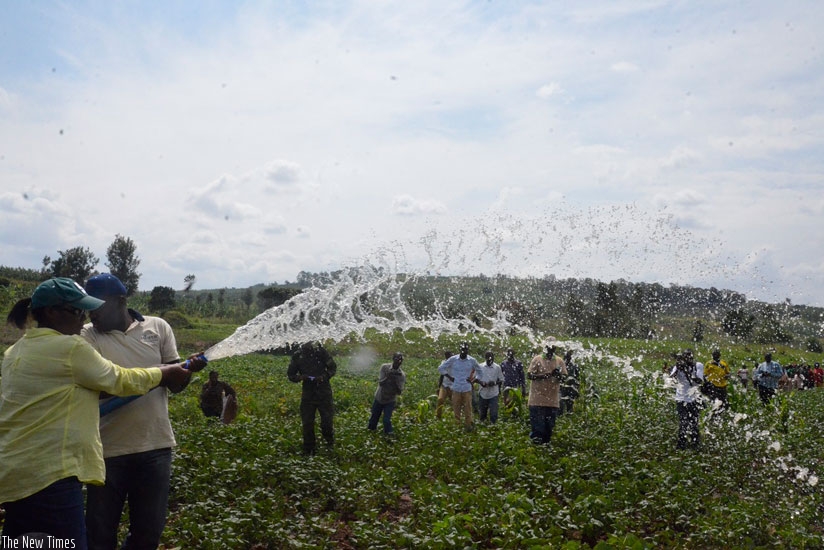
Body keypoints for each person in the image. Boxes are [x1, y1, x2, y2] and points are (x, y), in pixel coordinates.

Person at [0, 278, 198, 547]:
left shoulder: (15, 351)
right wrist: (162, 373)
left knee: (23, 543)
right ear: (51, 313)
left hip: (15, 476)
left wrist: (171, 374)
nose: (84, 320)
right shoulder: (72, 347)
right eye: (78, 312)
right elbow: (118, 380)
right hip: (51, 475)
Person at [81, 273, 206, 550]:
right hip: (106, 451)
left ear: (122, 301)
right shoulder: (86, 336)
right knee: (99, 535)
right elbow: (93, 387)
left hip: (155, 446)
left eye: (98, 306)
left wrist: (186, 372)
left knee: (147, 535)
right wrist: (158, 376)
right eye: (88, 307)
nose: (92, 314)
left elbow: (175, 384)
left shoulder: (158, 328)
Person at [287, 341, 337, 455]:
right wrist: (300, 377)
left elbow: (332, 368)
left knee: (327, 421)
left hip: (324, 392)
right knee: (307, 422)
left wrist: (323, 377)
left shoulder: (321, 352)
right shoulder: (297, 355)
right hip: (308, 393)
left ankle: (329, 444)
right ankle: (309, 448)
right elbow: (291, 375)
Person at [527, 342, 567, 446]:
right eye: (548, 347)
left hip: (552, 401)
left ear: (555, 348)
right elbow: (530, 375)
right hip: (537, 400)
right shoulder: (537, 359)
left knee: (549, 429)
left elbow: (564, 378)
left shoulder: (559, 361)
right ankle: (535, 451)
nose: (550, 349)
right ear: (545, 347)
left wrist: (558, 376)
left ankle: (544, 450)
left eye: (552, 347)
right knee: (537, 429)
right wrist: (547, 375)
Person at [438, 342, 479, 430]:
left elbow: (478, 371)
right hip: (454, 387)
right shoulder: (452, 360)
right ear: (460, 350)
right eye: (462, 349)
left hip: (465, 387)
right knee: (456, 407)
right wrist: (449, 377)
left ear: (468, 350)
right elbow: (441, 369)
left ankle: (468, 425)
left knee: (468, 407)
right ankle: (457, 425)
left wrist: (473, 380)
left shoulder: (471, 361)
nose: (464, 351)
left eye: (465, 350)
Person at [669, 349, 704, 450]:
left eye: (690, 356)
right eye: (686, 357)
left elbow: (699, 381)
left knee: (694, 423)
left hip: (694, 399)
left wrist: (687, 371)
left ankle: (695, 444)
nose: (688, 358)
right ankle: (681, 445)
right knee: (683, 422)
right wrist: (677, 369)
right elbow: (670, 379)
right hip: (681, 399)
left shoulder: (698, 366)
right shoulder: (678, 366)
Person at [367, 352, 406, 435]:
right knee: (374, 417)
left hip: (390, 400)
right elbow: (380, 382)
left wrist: (395, 381)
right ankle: (370, 433)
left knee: (386, 420)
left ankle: (389, 435)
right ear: (393, 359)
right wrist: (388, 376)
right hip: (379, 397)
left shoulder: (401, 375)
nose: (398, 362)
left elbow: (399, 392)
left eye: (400, 360)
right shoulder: (384, 367)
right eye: (396, 359)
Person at [473, 351, 504, 424]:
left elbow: (501, 379)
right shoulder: (480, 367)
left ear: (493, 358)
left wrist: (494, 383)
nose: (490, 360)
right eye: (488, 359)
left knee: (493, 414)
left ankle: (493, 428)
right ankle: (483, 428)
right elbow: (475, 379)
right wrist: (481, 382)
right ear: (485, 358)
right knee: (482, 415)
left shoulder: (497, 367)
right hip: (483, 393)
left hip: (493, 394)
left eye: (491, 359)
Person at [560, 349, 580, 415]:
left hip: (571, 388)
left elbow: (577, 378)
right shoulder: (561, 364)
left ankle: (568, 413)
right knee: (562, 401)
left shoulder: (574, 366)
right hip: (564, 387)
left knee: (569, 402)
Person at [435, 350, 454, 419]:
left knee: (455, 402)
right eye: (447, 357)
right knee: (440, 400)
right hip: (444, 385)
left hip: (453, 386)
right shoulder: (443, 363)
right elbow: (442, 375)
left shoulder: (456, 363)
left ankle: (457, 418)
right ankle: (438, 416)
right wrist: (439, 387)